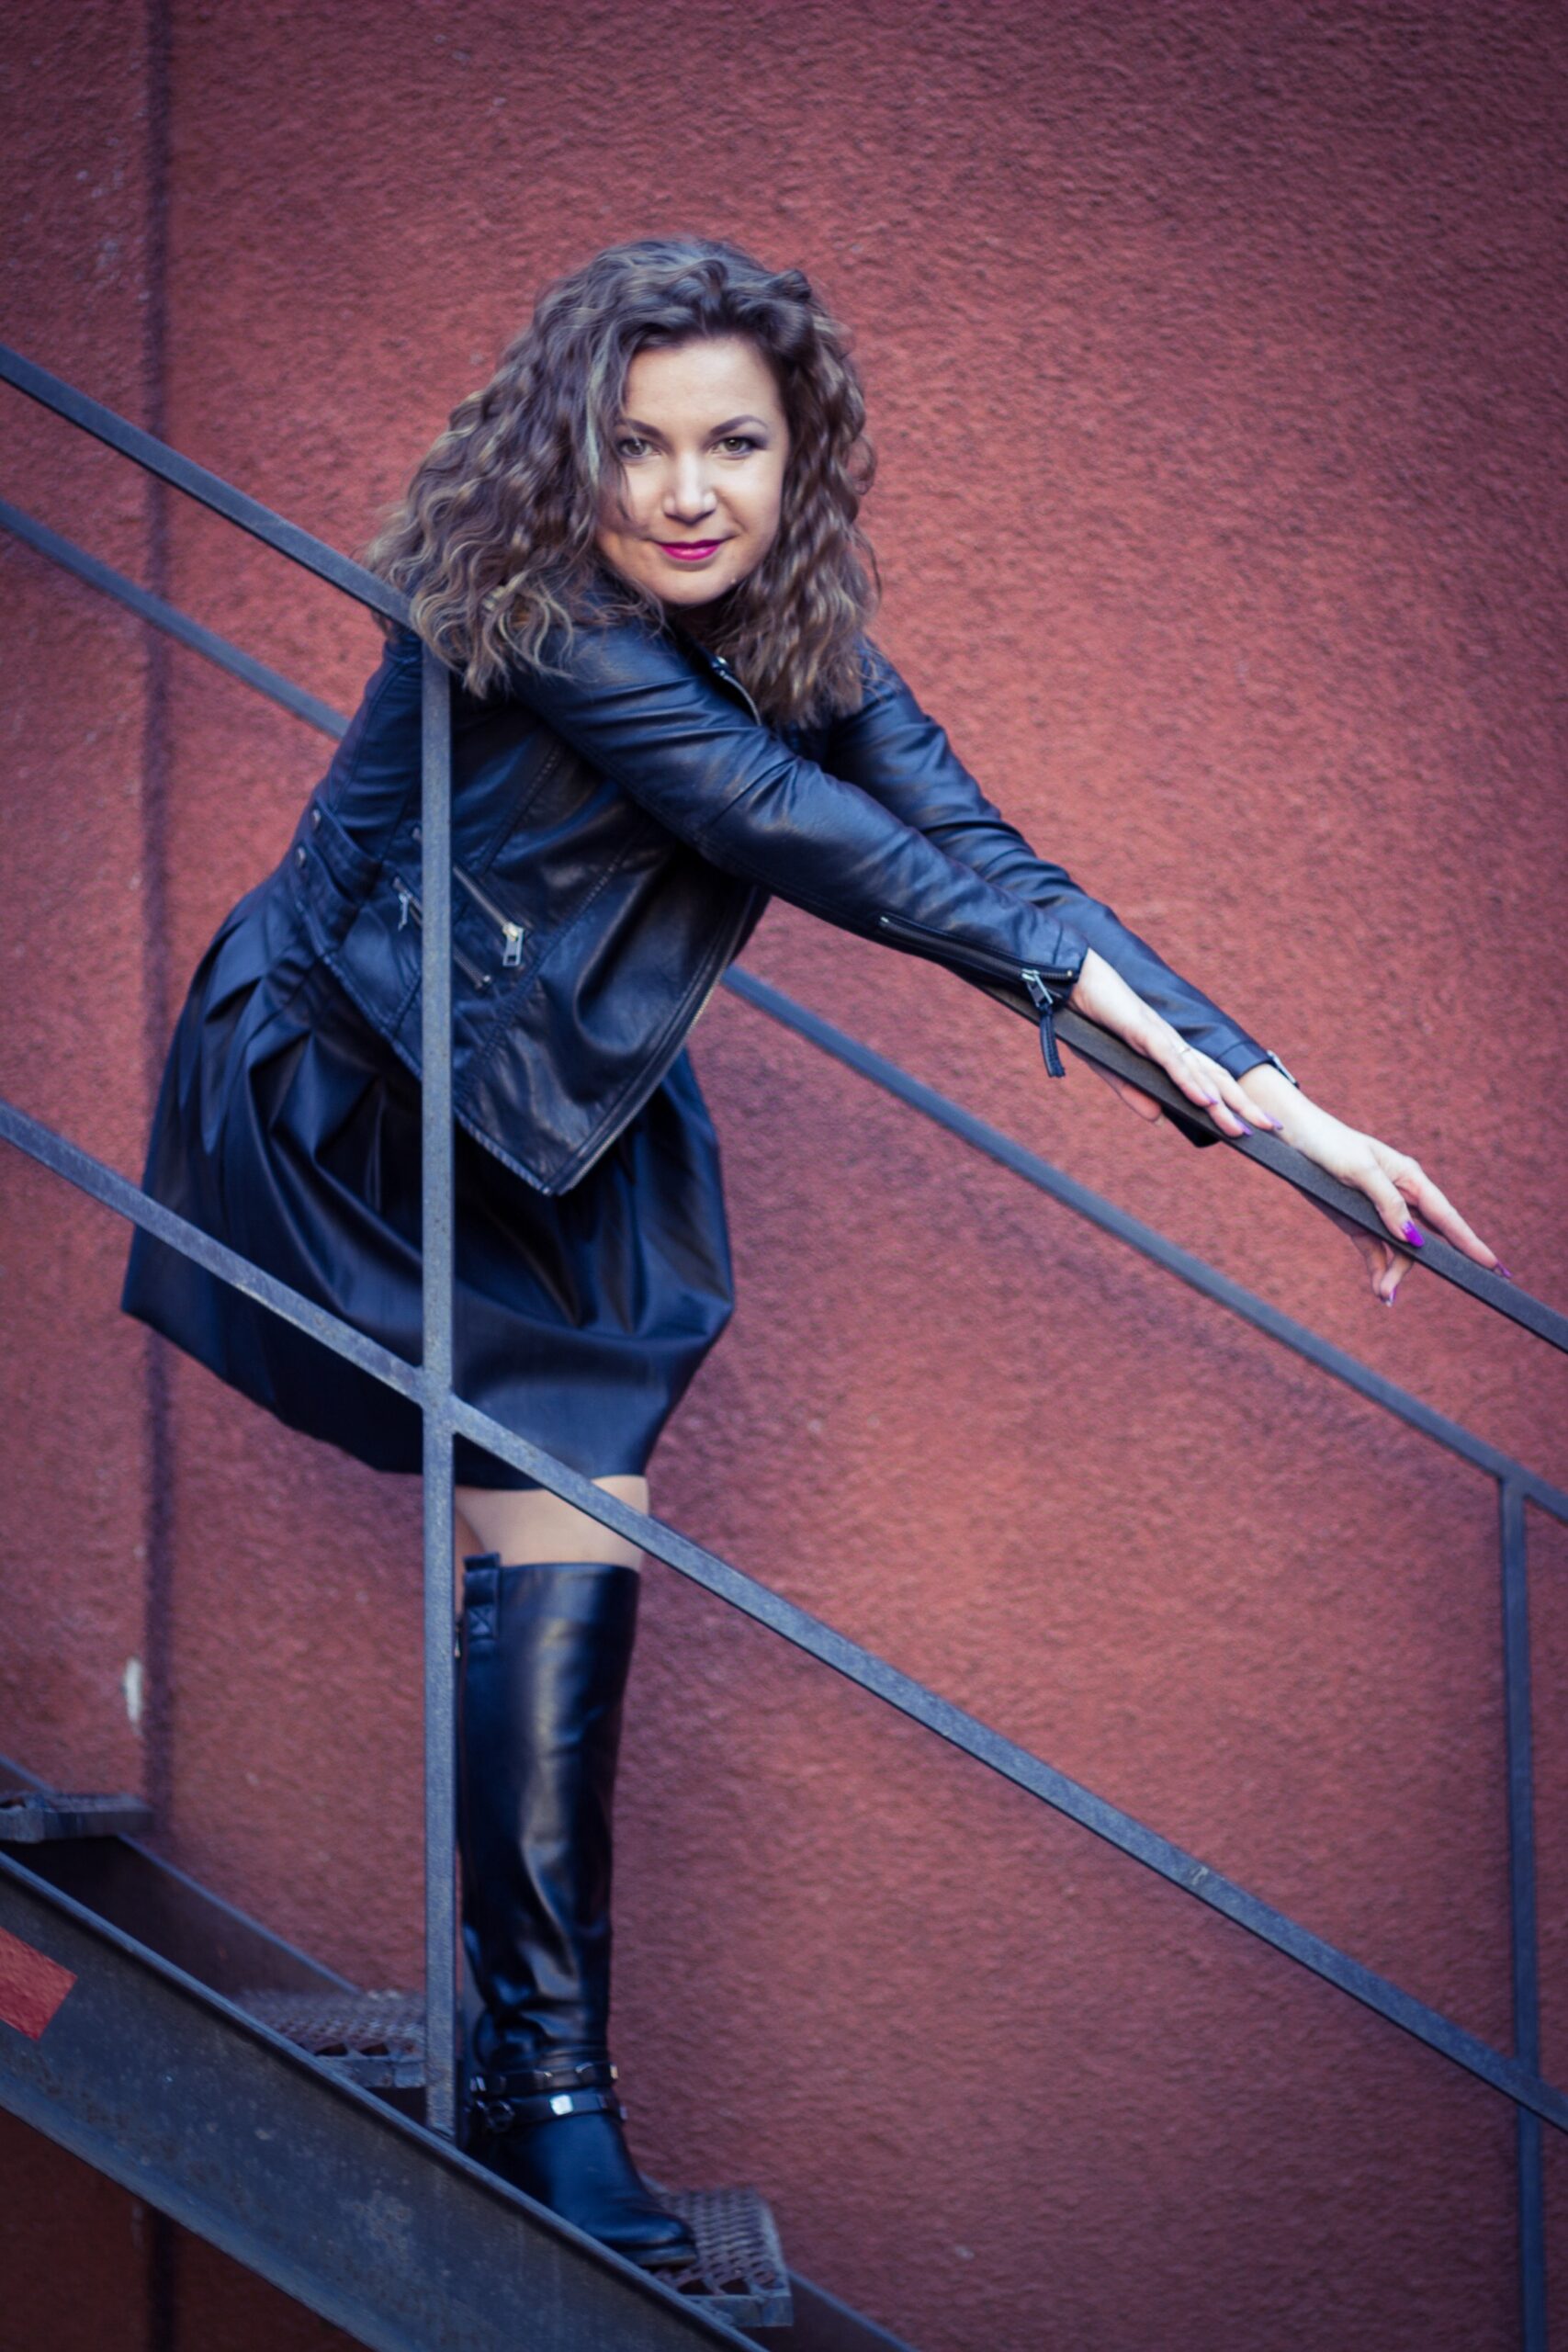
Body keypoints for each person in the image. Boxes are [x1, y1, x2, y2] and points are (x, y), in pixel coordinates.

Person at [120, 235, 1506, 2269]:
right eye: (638, 444)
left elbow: (993, 861)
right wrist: (1155, 1049)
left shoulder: (798, 629)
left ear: (799, 458)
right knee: (556, 1514)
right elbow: (801, 832)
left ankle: (539, 2084)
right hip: (360, 1091)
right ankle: (549, 2092)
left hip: (556, 1117)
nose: (687, 493)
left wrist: (1283, 1108)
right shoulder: (537, 610)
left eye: (736, 446)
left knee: (570, 1536)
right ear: (565, 455)